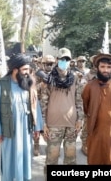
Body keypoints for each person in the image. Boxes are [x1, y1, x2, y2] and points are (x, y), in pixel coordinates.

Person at [0, 53, 43, 181]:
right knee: (8, 158)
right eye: (24, 69)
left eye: (28, 69)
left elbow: (35, 104)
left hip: (25, 129)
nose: (27, 72)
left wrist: (37, 126)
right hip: (9, 130)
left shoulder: (28, 83)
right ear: (15, 70)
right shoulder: (1, 85)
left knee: (25, 156)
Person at [41, 48, 84, 177]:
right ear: (57, 60)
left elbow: (79, 101)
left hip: (71, 124)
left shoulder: (76, 78)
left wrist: (80, 119)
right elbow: (43, 103)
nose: (64, 61)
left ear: (70, 61)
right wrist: (43, 123)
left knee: (71, 157)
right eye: (62, 59)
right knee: (52, 157)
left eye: (67, 59)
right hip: (53, 124)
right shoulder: (48, 79)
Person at [81, 52, 111, 164]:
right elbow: (86, 107)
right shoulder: (89, 86)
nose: (105, 70)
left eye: (109, 67)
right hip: (95, 130)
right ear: (97, 68)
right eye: (102, 67)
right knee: (95, 157)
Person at [33, 54, 56, 156]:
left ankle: (50, 145)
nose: (49, 66)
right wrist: (41, 85)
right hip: (38, 103)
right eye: (47, 64)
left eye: (51, 64)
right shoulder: (37, 74)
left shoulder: (56, 74)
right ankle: (36, 145)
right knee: (37, 126)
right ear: (42, 64)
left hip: (51, 104)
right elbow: (31, 89)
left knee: (50, 126)